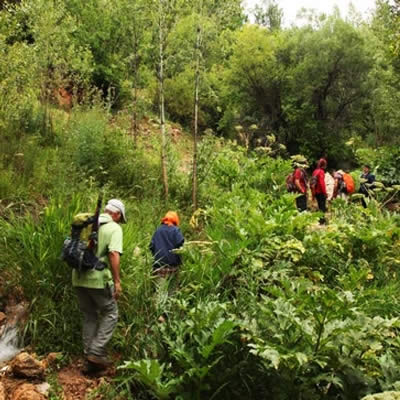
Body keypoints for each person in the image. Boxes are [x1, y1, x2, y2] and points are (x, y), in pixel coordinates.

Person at [72, 199, 126, 371]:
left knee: (89, 315)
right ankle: (96, 351)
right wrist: (117, 281)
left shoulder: (87, 224)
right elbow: (113, 254)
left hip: (78, 277)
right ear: (116, 214)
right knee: (111, 312)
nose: (119, 221)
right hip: (97, 278)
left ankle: (89, 357)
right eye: (120, 218)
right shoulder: (114, 228)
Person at [150, 211, 184, 276]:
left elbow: (151, 246)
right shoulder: (175, 230)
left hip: (158, 267)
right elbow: (181, 245)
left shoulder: (158, 230)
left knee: (159, 286)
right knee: (173, 286)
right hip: (173, 267)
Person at [311, 158, 328, 223]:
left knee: (319, 205)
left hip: (316, 192)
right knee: (322, 206)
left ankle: (320, 219)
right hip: (320, 191)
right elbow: (321, 183)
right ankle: (322, 220)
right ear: (324, 165)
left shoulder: (315, 171)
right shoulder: (321, 171)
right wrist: (325, 192)